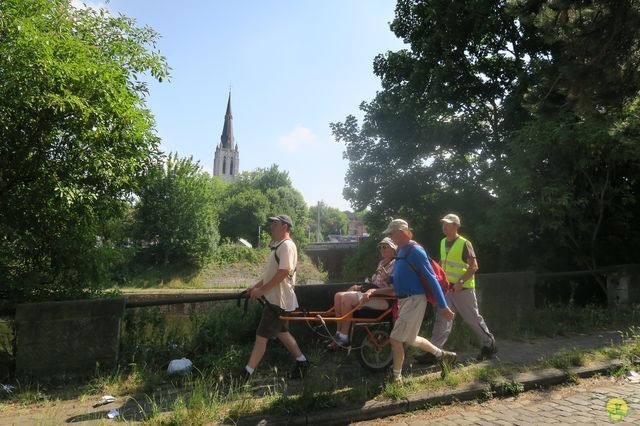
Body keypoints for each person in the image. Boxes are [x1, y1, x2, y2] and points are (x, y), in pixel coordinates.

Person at [383, 218, 457, 382]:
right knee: (411, 339)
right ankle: (443, 356)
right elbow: (407, 277)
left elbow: (431, 279)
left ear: (401, 232)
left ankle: (396, 379)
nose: (390, 237)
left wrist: (443, 306)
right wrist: (391, 280)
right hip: (406, 301)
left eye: (392, 233)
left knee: (395, 340)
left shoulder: (416, 251)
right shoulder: (402, 251)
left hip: (415, 300)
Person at [419, 213, 496, 365]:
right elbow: (443, 261)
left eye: (447, 224)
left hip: (463, 290)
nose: (444, 226)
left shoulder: (464, 243)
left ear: (456, 225)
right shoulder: (442, 242)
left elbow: (474, 266)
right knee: (442, 319)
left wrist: (460, 282)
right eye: (443, 224)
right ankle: (434, 352)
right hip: (448, 289)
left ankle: (489, 345)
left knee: (472, 318)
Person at [241, 214, 309, 380]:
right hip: (277, 298)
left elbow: (283, 272)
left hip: (278, 300)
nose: (272, 226)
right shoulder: (280, 246)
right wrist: (254, 288)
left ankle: (245, 374)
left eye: (275, 224)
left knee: (261, 337)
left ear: (285, 227)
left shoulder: (286, 246)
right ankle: (302, 363)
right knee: (282, 333)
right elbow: (270, 275)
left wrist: (262, 291)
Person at [330, 237, 397, 348]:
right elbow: (374, 282)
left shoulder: (396, 264)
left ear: (393, 249)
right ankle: (339, 333)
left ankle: (344, 336)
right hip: (373, 294)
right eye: (380, 247)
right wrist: (359, 287)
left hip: (384, 299)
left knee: (347, 298)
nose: (382, 249)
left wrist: (384, 281)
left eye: (385, 247)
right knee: (338, 296)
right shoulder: (381, 263)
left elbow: (393, 290)